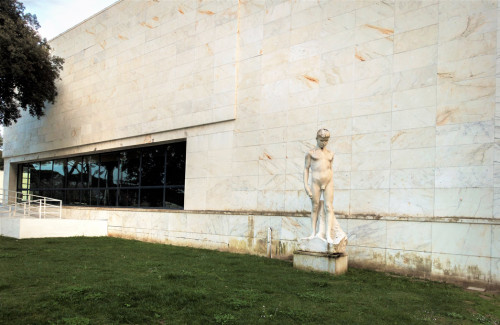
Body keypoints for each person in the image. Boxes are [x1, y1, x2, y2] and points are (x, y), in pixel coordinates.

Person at [303, 128, 346, 245]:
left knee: (328, 207)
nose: (324, 143)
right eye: (322, 140)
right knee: (315, 207)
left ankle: (328, 234)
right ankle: (313, 232)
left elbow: (330, 169)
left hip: (328, 182)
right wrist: (306, 186)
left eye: (326, 140)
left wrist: (329, 180)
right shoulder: (311, 153)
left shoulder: (330, 154)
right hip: (315, 182)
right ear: (317, 139)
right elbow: (306, 169)